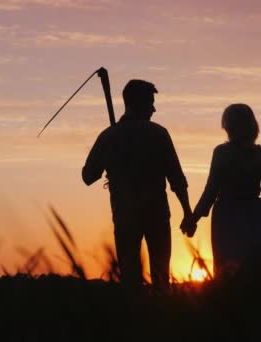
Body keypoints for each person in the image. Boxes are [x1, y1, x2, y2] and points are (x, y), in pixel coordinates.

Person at [82, 79, 195, 289]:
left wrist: (110, 163)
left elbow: (88, 176)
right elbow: (176, 178)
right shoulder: (159, 134)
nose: (154, 108)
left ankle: (134, 317)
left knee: (130, 281)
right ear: (138, 104)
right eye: (150, 102)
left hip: (125, 216)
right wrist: (187, 212)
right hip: (157, 215)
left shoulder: (109, 136)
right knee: (161, 279)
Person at [190, 103, 261, 280]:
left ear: (228, 126)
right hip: (255, 216)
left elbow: (211, 190)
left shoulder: (221, 153)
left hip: (227, 217)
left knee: (227, 272)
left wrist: (193, 218)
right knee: (254, 271)